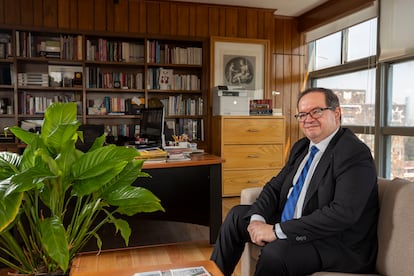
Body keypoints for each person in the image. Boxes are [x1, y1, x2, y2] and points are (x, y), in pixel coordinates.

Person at [211, 87, 379, 276]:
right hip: (296, 223)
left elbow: (342, 214)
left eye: (316, 111)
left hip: (334, 241)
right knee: (237, 216)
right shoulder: (302, 147)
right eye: (302, 115)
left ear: (337, 113)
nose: (308, 119)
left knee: (276, 253)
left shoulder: (354, 153)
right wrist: (257, 220)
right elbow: (275, 187)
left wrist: (277, 231)